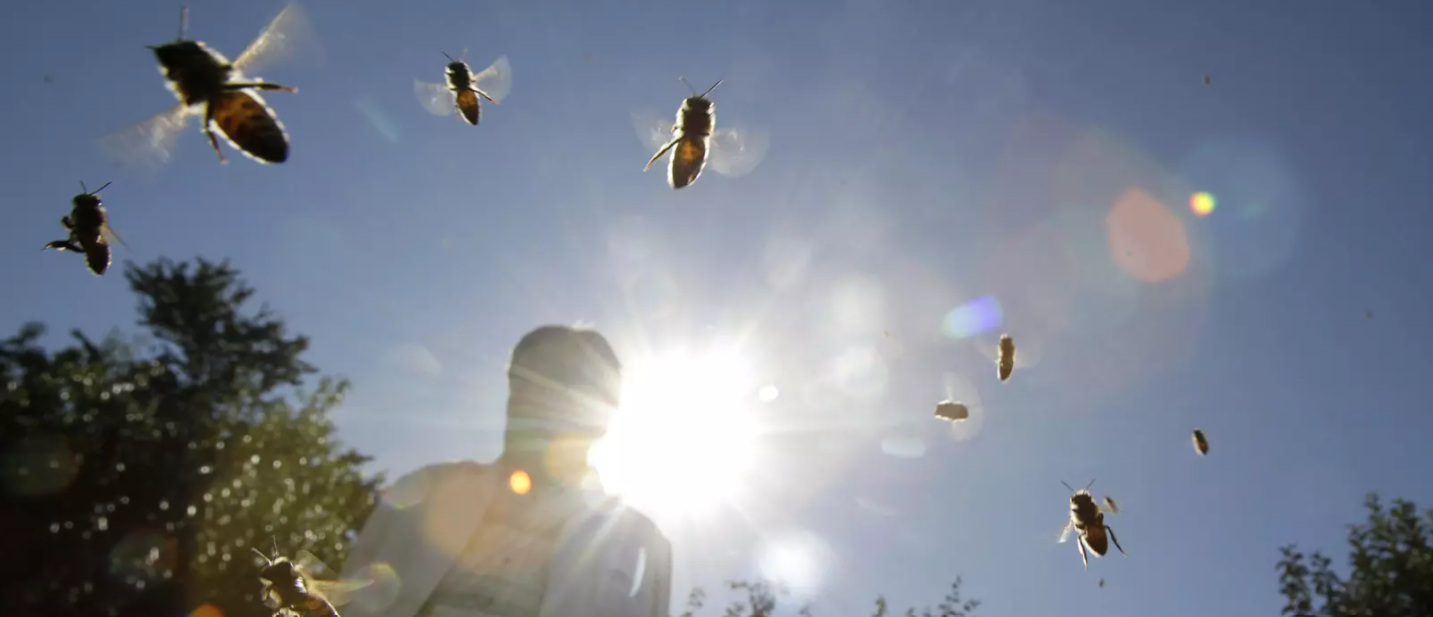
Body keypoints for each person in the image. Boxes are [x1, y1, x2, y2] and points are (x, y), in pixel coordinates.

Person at [339, 325, 672, 617]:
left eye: (569, 384)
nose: (541, 397)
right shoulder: (425, 490)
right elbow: (345, 600)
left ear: (603, 416)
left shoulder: (640, 545)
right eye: (529, 379)